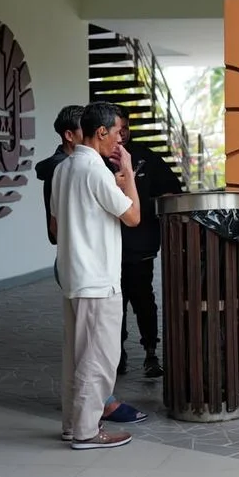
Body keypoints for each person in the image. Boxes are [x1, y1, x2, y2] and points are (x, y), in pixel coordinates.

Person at [35, 105, 148, 431]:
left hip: (73, 277)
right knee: (98, 360)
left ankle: (72, 425)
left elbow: (57, 227)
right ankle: (86, 432)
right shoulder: (95, 170)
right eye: (118, 132)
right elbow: (133, 217)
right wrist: (127, 175)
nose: (120, 140)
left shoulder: (63, 169)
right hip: (98, 280)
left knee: (75, 358)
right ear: (101, 132)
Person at [114, 106, 183, 377]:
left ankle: (151, 355)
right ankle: (116, 355)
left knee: (144, 302)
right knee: (114, 307)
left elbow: (172, 191)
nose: (122, 134)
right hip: (108, 252)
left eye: (126, 128)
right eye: (118, 129)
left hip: (140, 247)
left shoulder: (145, 157)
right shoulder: (97, 161)